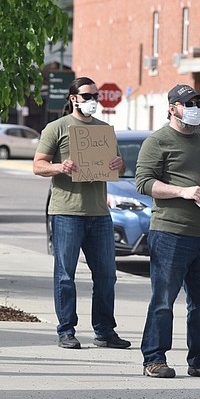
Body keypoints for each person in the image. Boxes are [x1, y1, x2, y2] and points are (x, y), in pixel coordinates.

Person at [134, 84, 200, 379]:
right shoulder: (157, 141)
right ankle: (154, 358)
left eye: (198, 102)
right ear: (172, 107)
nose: (195, 107)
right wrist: (181, 191)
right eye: (188, 103)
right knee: (163, 300)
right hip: (170, 233)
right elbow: (144, 183)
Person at [33, 76, 130, 350]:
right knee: (65, 274)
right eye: (87, 96)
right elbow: (38, 165)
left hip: (99, 213)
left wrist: (119, 164)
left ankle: (105, 331)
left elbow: (117, 168)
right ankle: (66, 330)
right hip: (67, 212)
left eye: (95, 97)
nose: (92, 101)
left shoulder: (104, 130)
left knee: (107, 275)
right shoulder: (57, 128)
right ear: (73, 98)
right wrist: (59, 167)